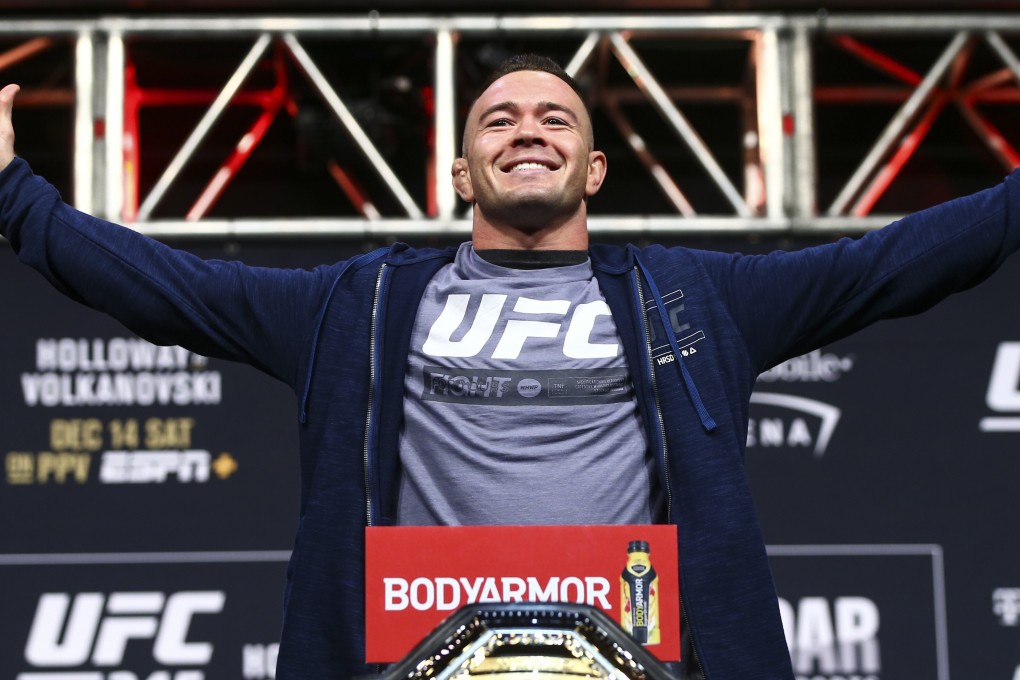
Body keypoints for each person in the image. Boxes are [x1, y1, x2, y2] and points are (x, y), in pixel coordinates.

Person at [1, 53, 1019, 680]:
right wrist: (13, 192)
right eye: (499, 119)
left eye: (555, 120)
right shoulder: (354, 305)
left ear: (593, 168)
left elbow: (895, 263)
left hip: (646, 663)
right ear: (460, 169)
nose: (527, 129)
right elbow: (162, 285)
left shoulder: (694, 296)